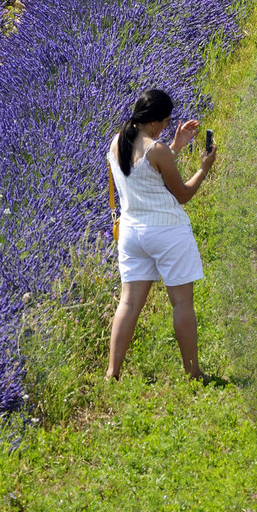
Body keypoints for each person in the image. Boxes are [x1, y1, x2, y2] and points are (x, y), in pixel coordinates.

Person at [105, 88, 216, 381]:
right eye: (165, 122)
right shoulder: (157, 150)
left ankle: (112, 373)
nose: (166, 128)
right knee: (182, 302)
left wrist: (175, 146)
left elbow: (147, 175)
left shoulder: (117, 142)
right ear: (154, 120)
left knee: (129, 304)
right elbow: (183, 194)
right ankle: (193, 372)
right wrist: (204, 169)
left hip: (132, 234)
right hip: (166, 231)